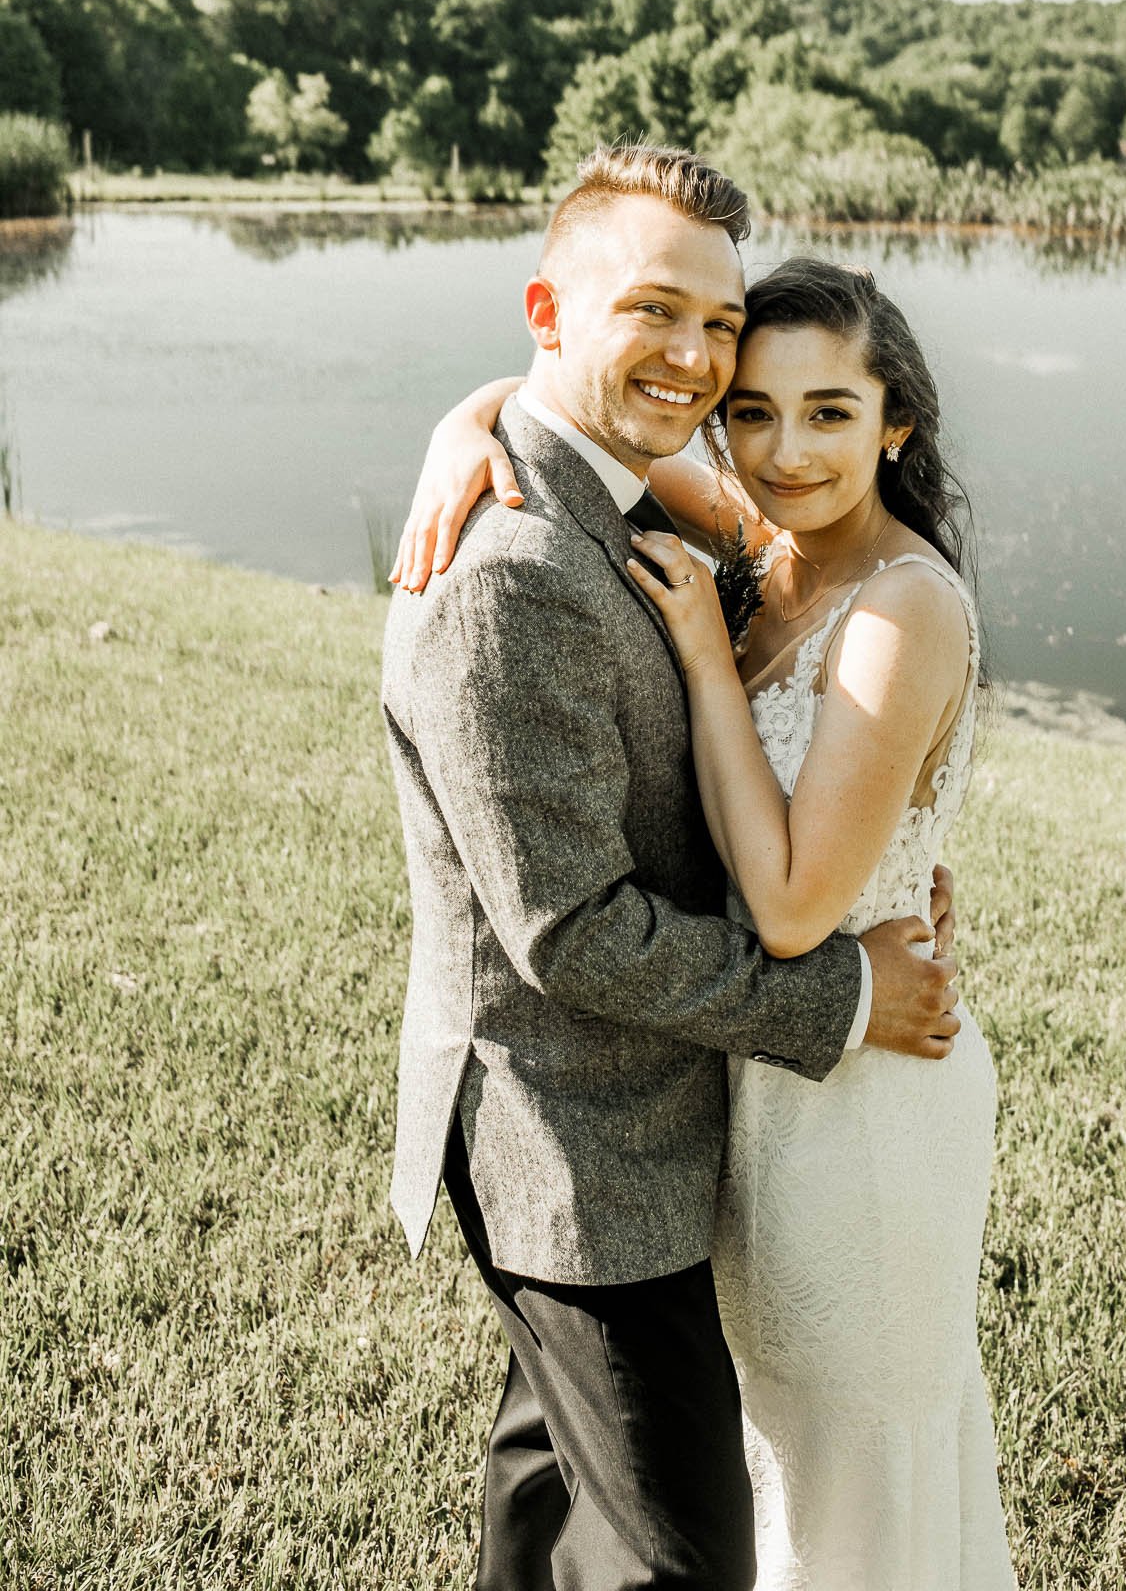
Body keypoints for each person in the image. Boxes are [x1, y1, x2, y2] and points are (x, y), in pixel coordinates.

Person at [381, 143, 965, 1591]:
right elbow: (571, 933)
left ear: (893, 421)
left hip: (681, 1107)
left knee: (553, 1478)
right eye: (659, 314)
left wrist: (474, 413)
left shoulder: (641, 502)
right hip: (575, 1133)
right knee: (677, 1553)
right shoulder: (517, 560)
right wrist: (842, 998)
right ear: (550, 309)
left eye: (719, 323)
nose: (699, 363)